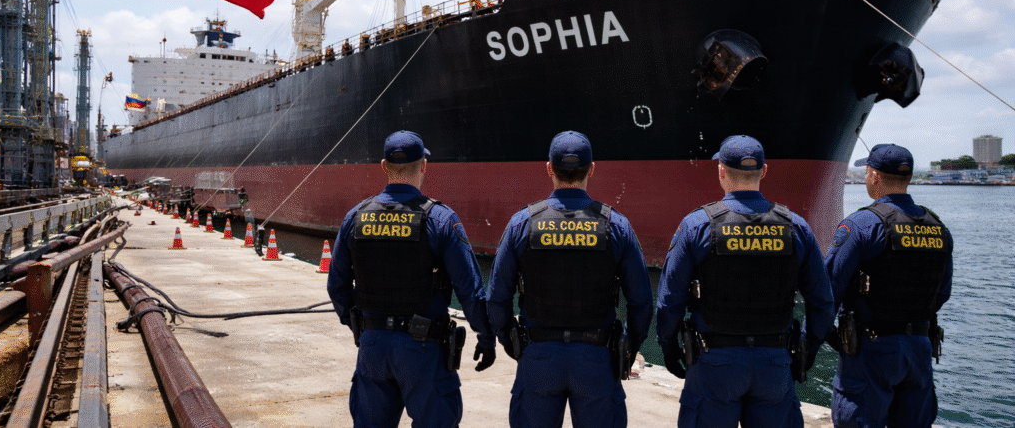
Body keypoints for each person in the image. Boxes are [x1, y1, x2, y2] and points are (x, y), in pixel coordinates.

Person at [656, 135, 835, 428]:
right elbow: (823, 302)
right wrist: (806, 351)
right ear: (764, 171)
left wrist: (669, 347)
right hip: (775, 363)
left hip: (713, 361)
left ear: (721, 170)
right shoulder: (797, 227)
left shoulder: (697, 225)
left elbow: (669, 299)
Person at [327, 131, 495, 428]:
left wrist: (360, 323)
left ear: (383, 166)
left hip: (373, 348)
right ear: (424, 166)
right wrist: (486, 336)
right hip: (424, 351)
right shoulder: (441, 218)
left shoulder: (356, 217)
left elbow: (337, 286)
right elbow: (470, 291)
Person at [487, 131, 653, 428]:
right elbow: (641, 302)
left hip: (538, 357)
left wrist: (511, 341)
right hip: (596, 360)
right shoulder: (616, 225)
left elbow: (497, 298)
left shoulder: (522, 223)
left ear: (549, 168)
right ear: (591, 169)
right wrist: (627, 344)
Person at [825, 144, 953, 428]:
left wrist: (819, 339)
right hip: (919, 347)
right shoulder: (938, 228)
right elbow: (942, 292)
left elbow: (828, 290)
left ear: (874, 176)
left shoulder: (861, 225)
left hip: (870, 350)